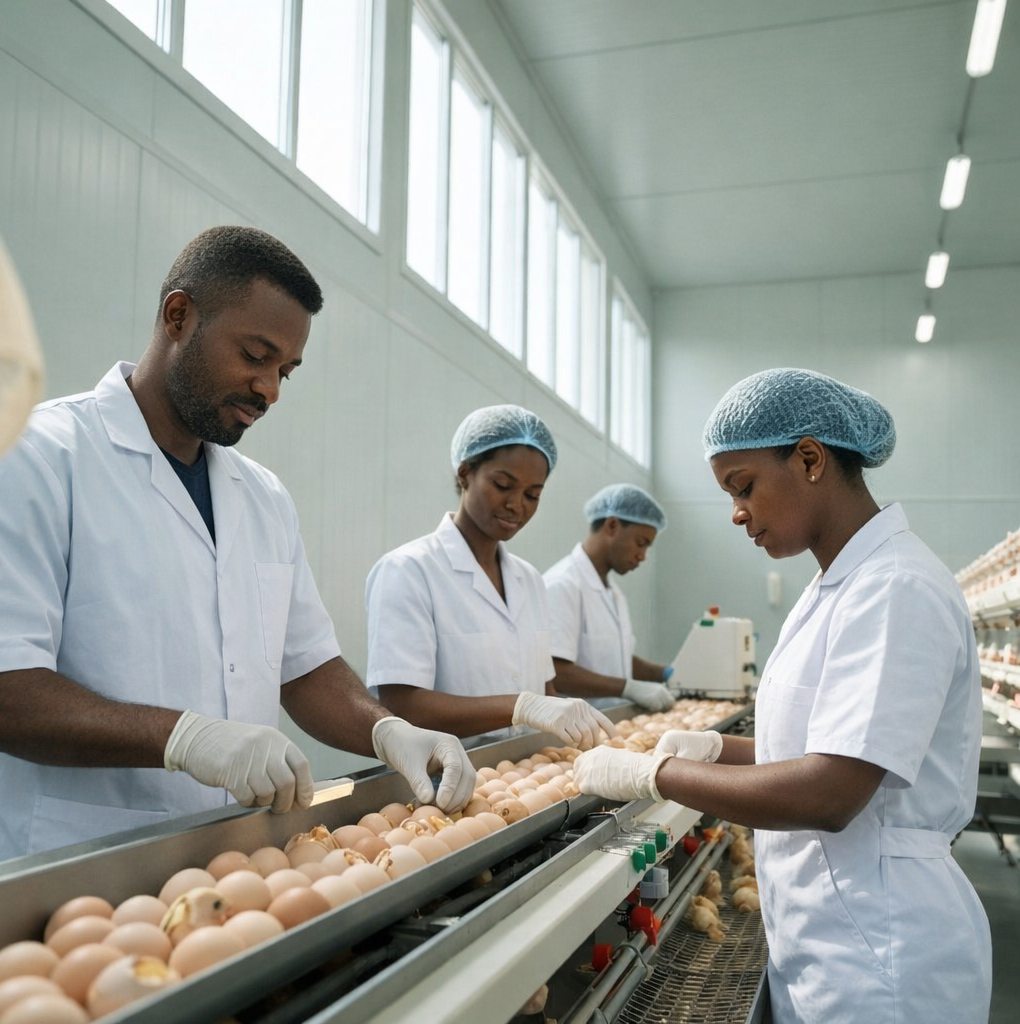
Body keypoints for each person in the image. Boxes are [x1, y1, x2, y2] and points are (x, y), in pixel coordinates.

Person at [0, 226, 475, 863]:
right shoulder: (37, 456)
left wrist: (387, 729)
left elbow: (306, 668)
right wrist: (184, 738)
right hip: (77, 860)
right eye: (255, 355)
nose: (270, 389)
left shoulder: (263, 498)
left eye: (286, 371)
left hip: (236, 858)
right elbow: (8, 689)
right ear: (178, 316)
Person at [573, 368, 991, 1024]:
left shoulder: (893, 589)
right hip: (826, 941)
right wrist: (717, 748)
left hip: (882, 961)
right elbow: (814, 749)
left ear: (809, 459)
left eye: (743, 487)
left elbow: (831, 793)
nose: (737, 513)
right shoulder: (833, 588)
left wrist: (658, 774)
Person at [365, 404, 616, 748]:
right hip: (443, 777)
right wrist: (520, 706)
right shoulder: (409, 570)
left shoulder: (529, 580)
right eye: (502, 485)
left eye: (533, 495)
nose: (517, 505)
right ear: (464, 473)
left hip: (521, 774)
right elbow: (401, 704)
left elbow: (545, 690)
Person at [543, 483, 675, 712]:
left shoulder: (613, 592)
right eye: (640, 543)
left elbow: (616, 659)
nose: (642, 556)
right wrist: (628, 688)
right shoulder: (562, 585)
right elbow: (555, 672)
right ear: (612, 525)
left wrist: (664, 673)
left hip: (610, 724)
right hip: (572, 733)